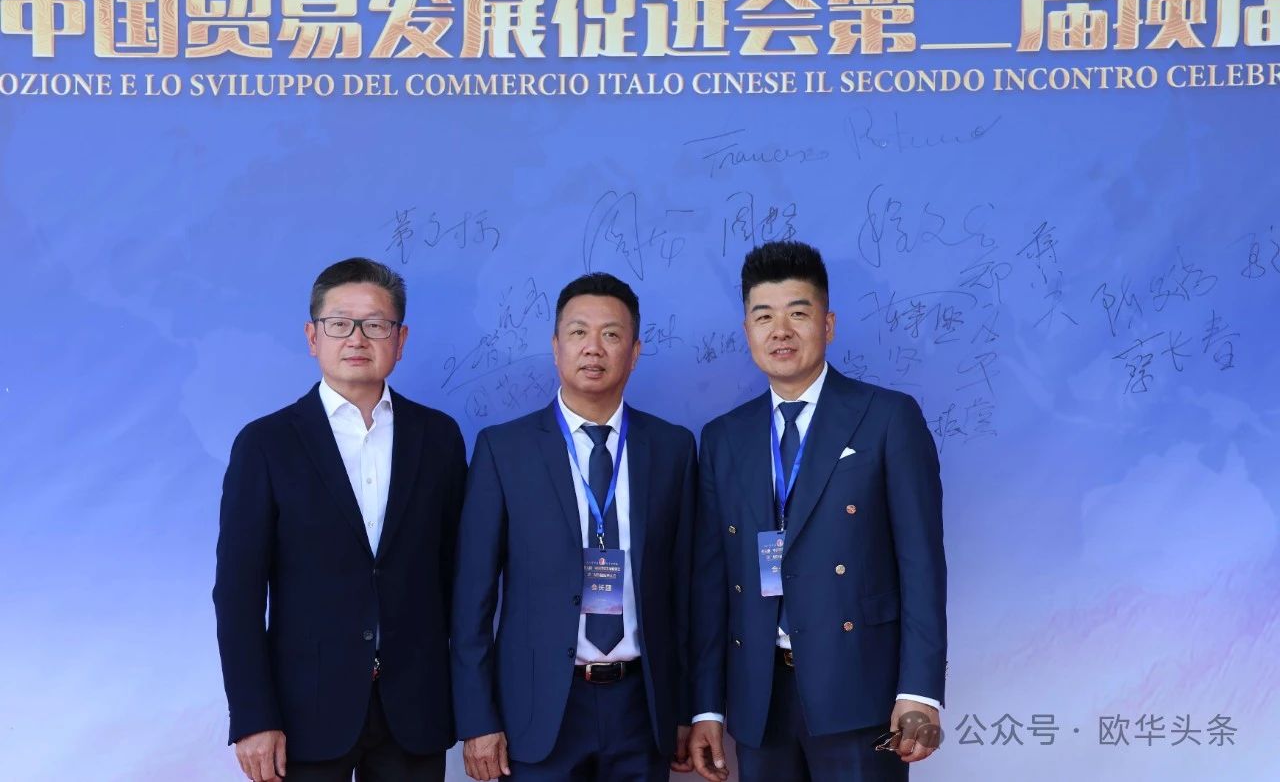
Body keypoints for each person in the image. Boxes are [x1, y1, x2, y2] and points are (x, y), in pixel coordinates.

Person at [688, 241, 946, 782]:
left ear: (828, 325)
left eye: (798, 314)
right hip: (760, 697)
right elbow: (712, 585)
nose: (780, 331)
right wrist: (707, 707)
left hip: (859, 690)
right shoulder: (723, 438)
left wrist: (919, 691)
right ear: (747, 331)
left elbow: (922, 563)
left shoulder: (887, 418)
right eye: (764, 317)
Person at [214, 258, 466, 782]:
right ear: (313, 337)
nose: (357, 338)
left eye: (375, 324)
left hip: (414, 709)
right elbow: (238, 594)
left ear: (400, 339)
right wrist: (253, 716)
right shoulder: (266, 444)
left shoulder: (438, 437)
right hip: (303, 713)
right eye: (339, 323)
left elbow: (458, 578)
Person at [451, 272, 697, 782]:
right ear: (556, 346)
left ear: (634, 352)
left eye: (611, 334)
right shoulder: (504, 450)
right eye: (578, 332)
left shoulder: (672, 448)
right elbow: (473, 598)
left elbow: (686, 589)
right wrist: (478, 719)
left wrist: (685, 709)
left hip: (641, 707)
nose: (593, 348)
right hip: (538, 709)